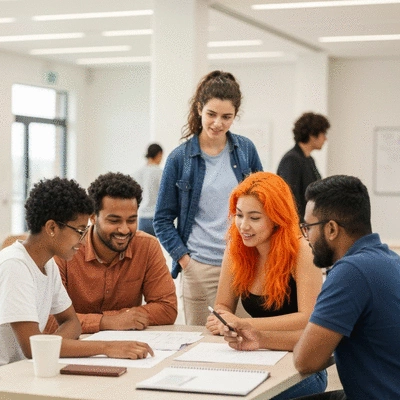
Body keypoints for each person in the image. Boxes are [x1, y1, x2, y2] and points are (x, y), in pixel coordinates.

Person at [224, 175, 400, 400]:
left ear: (331, 229)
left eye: (308, 227)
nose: (306, 236)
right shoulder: (389, 260)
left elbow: (306, 361)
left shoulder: (350, 272)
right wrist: (259, 338)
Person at [0, 177, 153, 366]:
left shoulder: (48, 265)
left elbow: (72, 323)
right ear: (52, 228)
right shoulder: (15, 265)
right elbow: (33, 348)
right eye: (80, 231)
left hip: (22, 370)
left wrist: (51, 346)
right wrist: (107, 347)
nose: (82, 241)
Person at [153, 70, 263, 325]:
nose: (218, 123)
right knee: (202, 345)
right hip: (200, 267)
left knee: (248, 338)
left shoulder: (245, 151)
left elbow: (265, 205)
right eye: (211, 114)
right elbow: (162, 219)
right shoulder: (180, 158)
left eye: (227, 117)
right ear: (199, 109)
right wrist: (185, 260)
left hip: (244, 263)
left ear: (235, 115)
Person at [205, 171, 327, 399]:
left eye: (254, 217)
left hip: (303, 365)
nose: (243, 226)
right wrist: (222, 321)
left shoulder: (302, 251)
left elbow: (308, 318)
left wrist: (242, 324)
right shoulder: (237, 247)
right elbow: (222, 305)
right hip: (256, 356)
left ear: (276, 218)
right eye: (239, 215)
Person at [45, 172, 177, 335]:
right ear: (92, 217)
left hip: (127, 345)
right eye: (114, 221)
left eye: (131, 220)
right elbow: (48, 320)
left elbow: (167, 308)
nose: (124, 229)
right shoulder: (64, 251)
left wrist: (116, 320)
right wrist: (108, 321)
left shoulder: (147, 247)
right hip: (76, 345)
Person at [277, 112, 330, 221]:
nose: (325, 139)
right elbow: (290, 200)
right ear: (312, 135)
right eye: (323, 134)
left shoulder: (309, 159)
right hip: (299, 226)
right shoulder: (291, 160)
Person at [133, 143, 163, 236]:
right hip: (157, 218)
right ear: (159, 154)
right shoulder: (160, 173)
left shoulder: (137, 173)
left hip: (142, 218)